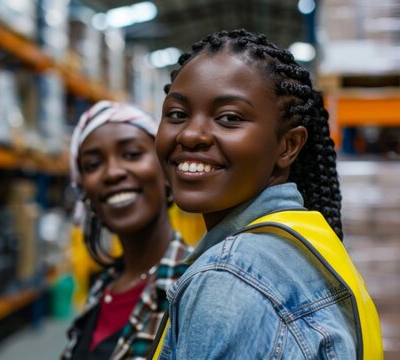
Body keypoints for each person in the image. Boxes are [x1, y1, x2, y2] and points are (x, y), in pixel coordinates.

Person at [149, 29, 382, 359]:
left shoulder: (230, 278)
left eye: (229, 118)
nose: (191, 134)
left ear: (288, 146)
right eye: (177, 114)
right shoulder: (307, 243)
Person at [62, 100, 192, 359]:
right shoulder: (104, 287)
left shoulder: (192, 289)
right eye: (92, 165)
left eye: (132, 154)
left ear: (166, 173)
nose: (112, 173)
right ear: (84, 192)